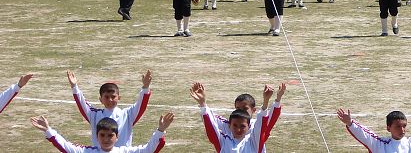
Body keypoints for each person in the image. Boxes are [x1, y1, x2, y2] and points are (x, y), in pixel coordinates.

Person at [66, 69, 152, 148]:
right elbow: (82, 103)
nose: (110, 100)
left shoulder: (127, 114)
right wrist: (74, 86)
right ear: (100, 99)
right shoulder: (95, 115)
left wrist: (145, 87)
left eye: (113, 97)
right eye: (106, 97)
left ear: (119, 97)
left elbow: (141, 105)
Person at [191, 83, 282, 153]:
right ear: (230, 125)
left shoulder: (254, 137)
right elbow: (210, 124)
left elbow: (265, 123)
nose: (238, 129)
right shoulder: (225, 136)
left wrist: (269, 101)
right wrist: (202, 103)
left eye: (242, 126)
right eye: (235, 125)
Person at [31, 112, 173, 153]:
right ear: (96, 137)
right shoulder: (87, 151)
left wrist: (160, 130)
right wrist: (48, 130)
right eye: (102, 135)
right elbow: (65, 145)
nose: (106, 139)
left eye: (110, 135)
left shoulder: (125, 151)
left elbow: (149, 149)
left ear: (117, 137)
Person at [337, 106, 411, 152]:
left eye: (404, 126)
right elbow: (365, 134)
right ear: (388, 128)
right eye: (398, 126)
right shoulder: (379, 144)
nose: (402, 130)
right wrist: (350, 123)